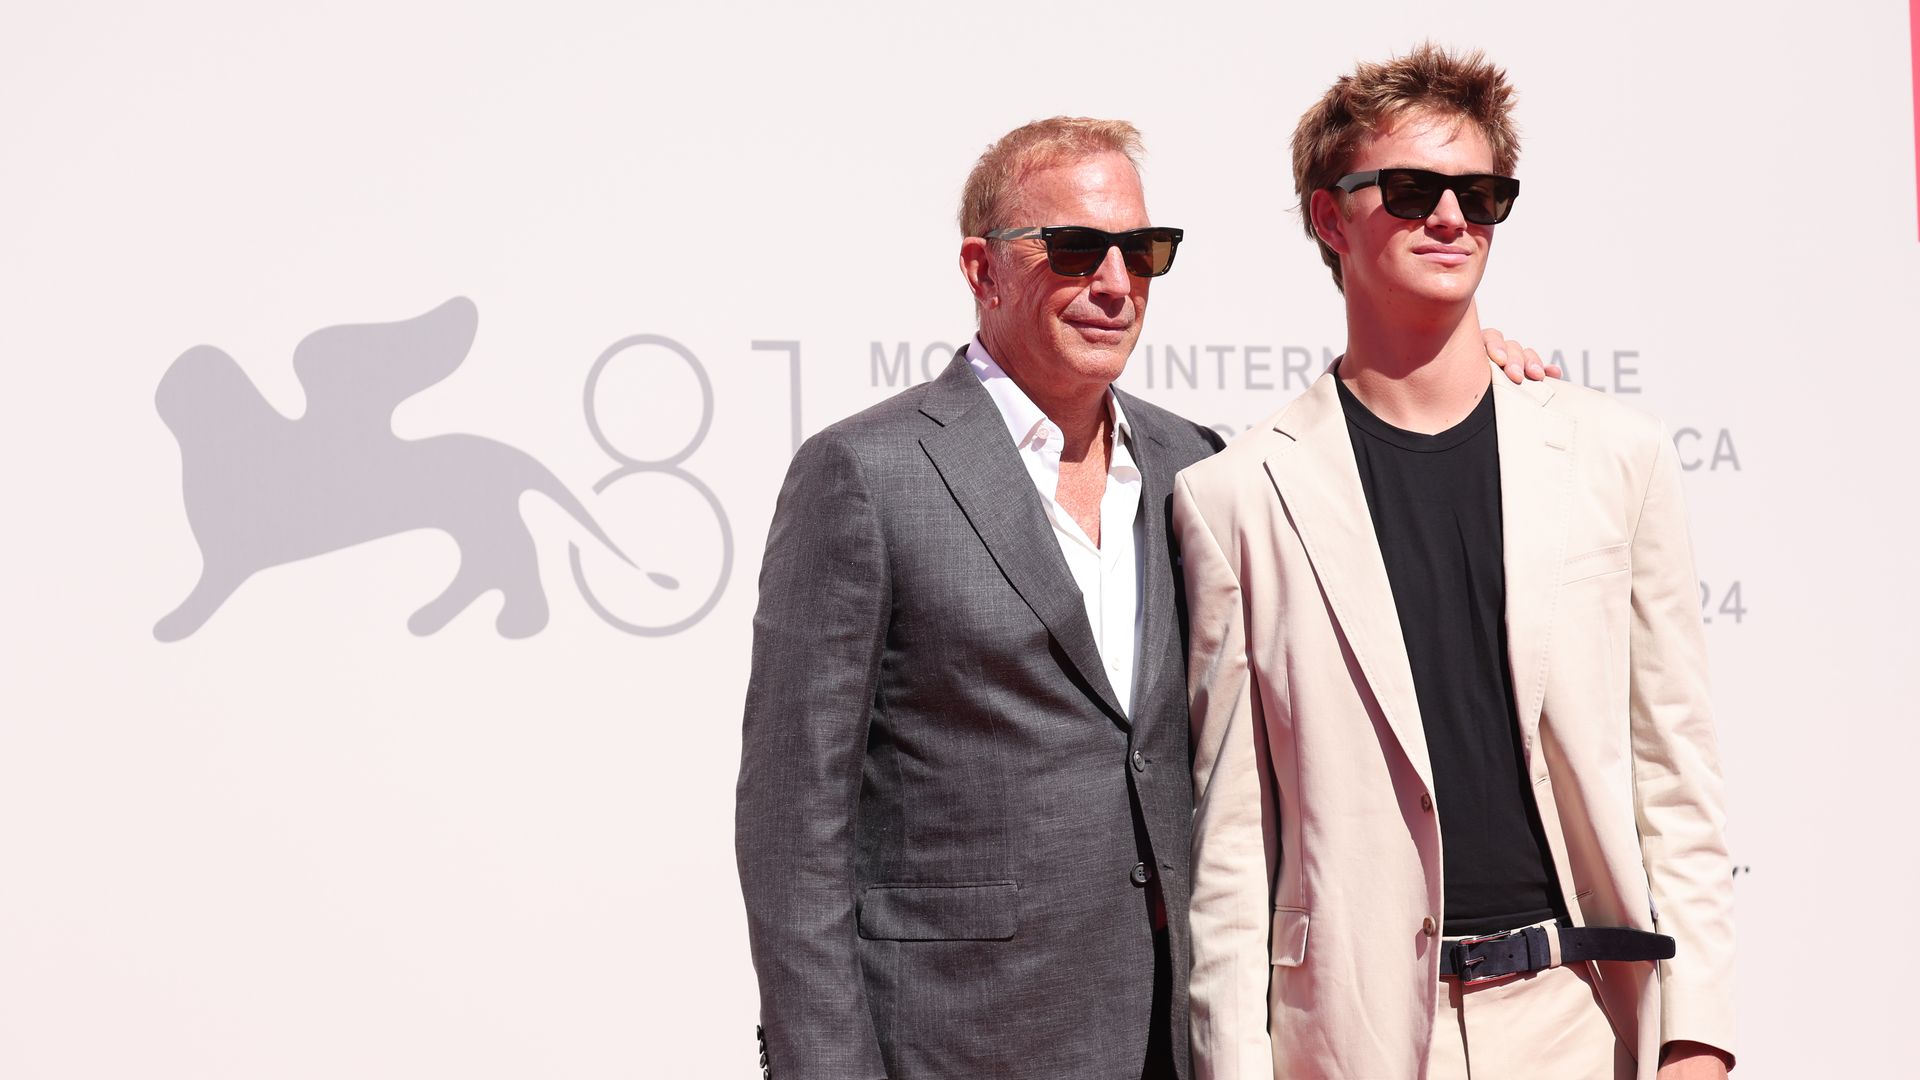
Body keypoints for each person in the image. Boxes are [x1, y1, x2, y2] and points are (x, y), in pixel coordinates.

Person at [736, 115, 1550, 1080]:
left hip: (1173, 1039)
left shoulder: (1196, 467)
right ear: (980, 268)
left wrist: (1471, 365)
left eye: (1144, 252)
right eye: (1077, 250)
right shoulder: (865, 474)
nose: (1116, 285)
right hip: (950, 1045)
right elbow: (793, 834)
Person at [1176, 45, 1735, 1080]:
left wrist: (1697, 1036)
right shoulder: (1235, 496)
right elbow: (1233, 844)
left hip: (1582, 1021)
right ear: (1329, 217)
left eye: (1479, 193)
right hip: (1350, 1040)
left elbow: (1675, 769)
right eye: (1411, 189)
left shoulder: (1617, 456)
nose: (1450, 217)